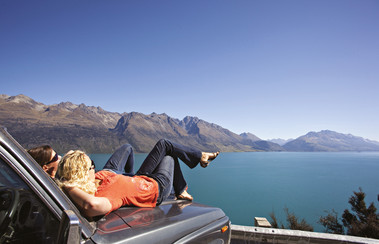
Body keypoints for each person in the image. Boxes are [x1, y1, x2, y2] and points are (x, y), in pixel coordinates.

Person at [55, 139, 219, 217]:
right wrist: (67, 185)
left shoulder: (94, 179)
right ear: (84, 174)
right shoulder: (108, 194)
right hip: (156, 188)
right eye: (91, 164)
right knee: (168, 152)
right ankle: (198, 159)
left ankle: (183, 187)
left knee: (128, 147)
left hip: (134, 179)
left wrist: (67, 179)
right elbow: (91, 205)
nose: (93, 165)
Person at [28, 143, 136, 178]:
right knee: (127, 147)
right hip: (107, 176)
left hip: (103, 173)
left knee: (127, 147)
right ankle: (131, 177)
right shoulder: (63, 181)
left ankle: (130, 176)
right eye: (56, 157)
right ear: (45, 167)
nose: (60, 157)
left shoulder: (60, 175)